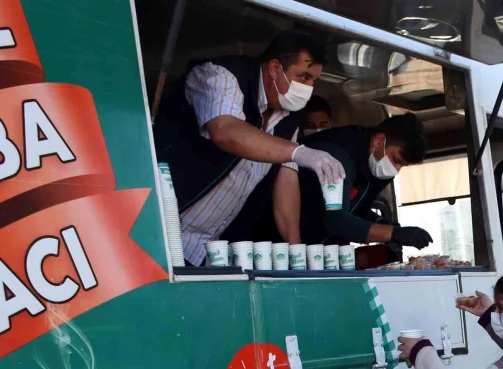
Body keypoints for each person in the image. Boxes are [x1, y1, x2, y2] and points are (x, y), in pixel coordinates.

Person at [153, 30, 345, 265]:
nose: (309, 88)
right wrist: (299, 151)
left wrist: (297, 255)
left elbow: (285, 181)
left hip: (206, 249)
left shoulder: (288, 117)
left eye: (313, 81)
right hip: (155, 230)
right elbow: (225, 131)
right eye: (303, 77)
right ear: (275, 68)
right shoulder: (220, 76)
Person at [274, 113, 433, 252]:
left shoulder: (375, 163)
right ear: (379, 141)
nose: (396, 169)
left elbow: (355, 207)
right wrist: (392, 233)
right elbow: (335, 220)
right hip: (277, 244)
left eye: (402, 165)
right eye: (396, 160)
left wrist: (379, 222)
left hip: (320, 249)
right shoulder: (338, 157)